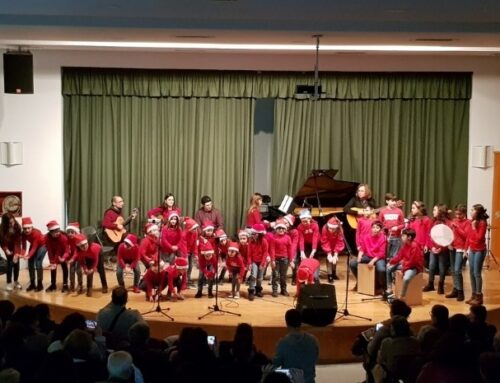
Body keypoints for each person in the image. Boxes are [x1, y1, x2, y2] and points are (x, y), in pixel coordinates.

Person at [273, 308, 319, 383]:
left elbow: (275, 364)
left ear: (287, 323)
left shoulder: (283, 343)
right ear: (301, 322)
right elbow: (315, 359)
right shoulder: (313, 340)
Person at [385, 228, 424, 300]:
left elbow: (413, 262)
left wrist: (403, 270)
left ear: (409, 237)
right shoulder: (405, 245)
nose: (401, 237)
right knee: (388, 268)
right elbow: (399, 256)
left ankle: (402, 296)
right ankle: (389, 288)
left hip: (414, 267)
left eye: (403, 236)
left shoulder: (415, 246)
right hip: (406, 265)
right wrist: (391, 262)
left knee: (406, 278)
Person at [350, 220, 387, 291]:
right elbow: (362, 249)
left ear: (380, 229)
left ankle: (382, 287)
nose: (375, 229)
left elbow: (381, 253)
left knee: (381, 269)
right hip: (368, 256)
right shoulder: (366, 237)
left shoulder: (383, 238)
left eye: (377, 228)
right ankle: (360, 282)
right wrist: (359, 256)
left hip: (378, 258)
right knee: (353, 263)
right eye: (373, 227)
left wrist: (373, 261)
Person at [424, 204, 452, 295]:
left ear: (440, 211)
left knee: (442, 267)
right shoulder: (433, 221)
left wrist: (441, 248)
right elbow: (429, 234)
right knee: (431, 266)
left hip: (442, 249)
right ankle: (430, 284)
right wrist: (431, 246)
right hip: (433, 248)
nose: (433, 212)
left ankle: (441, 285)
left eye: (435, 210)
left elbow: (448, 237)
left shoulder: (448, 222)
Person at [446, 204, 471, 302]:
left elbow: (466, 236)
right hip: (453, 247)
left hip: (461, 249)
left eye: (459, 214)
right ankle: (455, 289)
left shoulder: (467, 222)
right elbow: (450, 234)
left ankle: (461, 292)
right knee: (453, 270)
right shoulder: (454, 221)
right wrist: (449, 243)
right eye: (456, 214)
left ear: (464, 213)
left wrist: (457, 228)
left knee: (457, 270)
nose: (457, 216)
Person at [465, 204, 489, 305]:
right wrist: (466, 249)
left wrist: (474, 227)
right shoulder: (471, 222)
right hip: (472, 250)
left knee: (476, 273)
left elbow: (479, 238)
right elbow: (468, 236)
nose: (470, 212)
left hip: (480, 250)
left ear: (477, 212)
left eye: (472, 210)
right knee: (471, 272)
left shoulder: (482, 223)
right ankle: (473, 294)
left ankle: (479, 296)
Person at [20, 217, 47, 291]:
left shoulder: (36, 233)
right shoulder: (23, 234)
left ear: (32, 227)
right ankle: (32, 284)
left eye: (28, 228)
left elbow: (34, 247)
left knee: (38, 262)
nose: (27, 230)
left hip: (43, 245)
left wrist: (28, 255)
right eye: (25, 229)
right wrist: (22, 254)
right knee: (30, 263)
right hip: (34, 245)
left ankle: (40, 284)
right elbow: (24, 246)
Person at [44, 220, 70, 293]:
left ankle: (65, 284)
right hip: (54, 252)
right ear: (50, 232)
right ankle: (53, 285)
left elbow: (67, 250)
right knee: (53, 267)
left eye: (58, 231)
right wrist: (52, 262)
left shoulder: (63, 238)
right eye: (55, 232)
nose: (57, 233)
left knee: (64, 267)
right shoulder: (47, 238)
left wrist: (63, 258)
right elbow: (49, 250)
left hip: (63, 253)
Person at [270, 219, 293, 297]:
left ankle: (283, 290)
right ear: (276, 229)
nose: (280, 230)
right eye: (279, 228)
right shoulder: (273, 238)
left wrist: (291, 260)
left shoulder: (288, 238)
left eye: (282, 228)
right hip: (276, 259)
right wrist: (272, 260)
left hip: (285, 259)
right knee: (275, 275)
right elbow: (272, 249)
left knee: (283, 276)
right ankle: (275, 290)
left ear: (285, 229)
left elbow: (290, 250)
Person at [378, 193, 405, 260]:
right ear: (387, 201)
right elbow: (379, 224)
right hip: (386, 237)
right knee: (385, 256)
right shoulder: (382, 211)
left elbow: (403, 224)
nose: (394, 202)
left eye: (395, 201)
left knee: (394, 257)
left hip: (396, 238)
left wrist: (397, 227)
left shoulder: (399, 211)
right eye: (392, 201)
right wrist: (383, 231)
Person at [0, 213, 23, 291]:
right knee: (10, 264)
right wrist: (6, 250)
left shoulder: (17, 227)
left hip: (16, 247)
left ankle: (16, 281)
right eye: (10, 223)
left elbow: (18, 242)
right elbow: (2, 243)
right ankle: (9, 282)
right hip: (8, 248)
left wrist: (16, 254)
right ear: (5, 223)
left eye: (13, 221)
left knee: (16, 264)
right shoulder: (1, 229)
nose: (12, 224)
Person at [247, 223, 269, 301]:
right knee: (253, 276)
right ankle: (251, 291)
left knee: (260, 278)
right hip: (254, 261)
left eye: (254, 234)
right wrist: (249, 263)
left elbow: (265, 253)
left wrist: (262, 263)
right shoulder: (250, 241)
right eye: (252, 233)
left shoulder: (264, 241)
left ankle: (258, 290)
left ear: (259, 234)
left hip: (261, 262)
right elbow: (249, 254)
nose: (252, 235)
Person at [320, 216, 345, 282]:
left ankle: (334, 273)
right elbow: (324, 241)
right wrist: (328, 253)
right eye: (329, 228)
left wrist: (336, 253)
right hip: (328, 245)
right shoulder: (324, 228)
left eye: (333, 229)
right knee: (329, 260)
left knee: (335, 259)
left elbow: (340, 241)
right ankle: (329, 275)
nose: (331, 230)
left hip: (335, 244)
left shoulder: (340, 230)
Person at [66, 222, 84, 293]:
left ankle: (80, 285)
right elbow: (67, 250)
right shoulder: (67, 239)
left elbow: (77, 251)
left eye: (72, 232)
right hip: (72, 257)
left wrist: (72, 259)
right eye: (68, 232)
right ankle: (72, 285)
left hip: (79, 256)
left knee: (78, 270)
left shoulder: (78, 239)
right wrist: (67, 258)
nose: (70, 234)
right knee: (71, 271)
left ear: (76, 232)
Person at [181, 217, 199, 288]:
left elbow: (195, 244)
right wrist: (185, 256)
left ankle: (188, 280)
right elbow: (183, 247)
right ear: (189, 228)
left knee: (190, 266)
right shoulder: (184, 234)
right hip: (184, 252)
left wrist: (196, 254)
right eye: (194, 228)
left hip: (190, 252)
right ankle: (184, 281)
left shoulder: (195, 232)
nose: (195, 230)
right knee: (186, 267)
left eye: (196, 228)